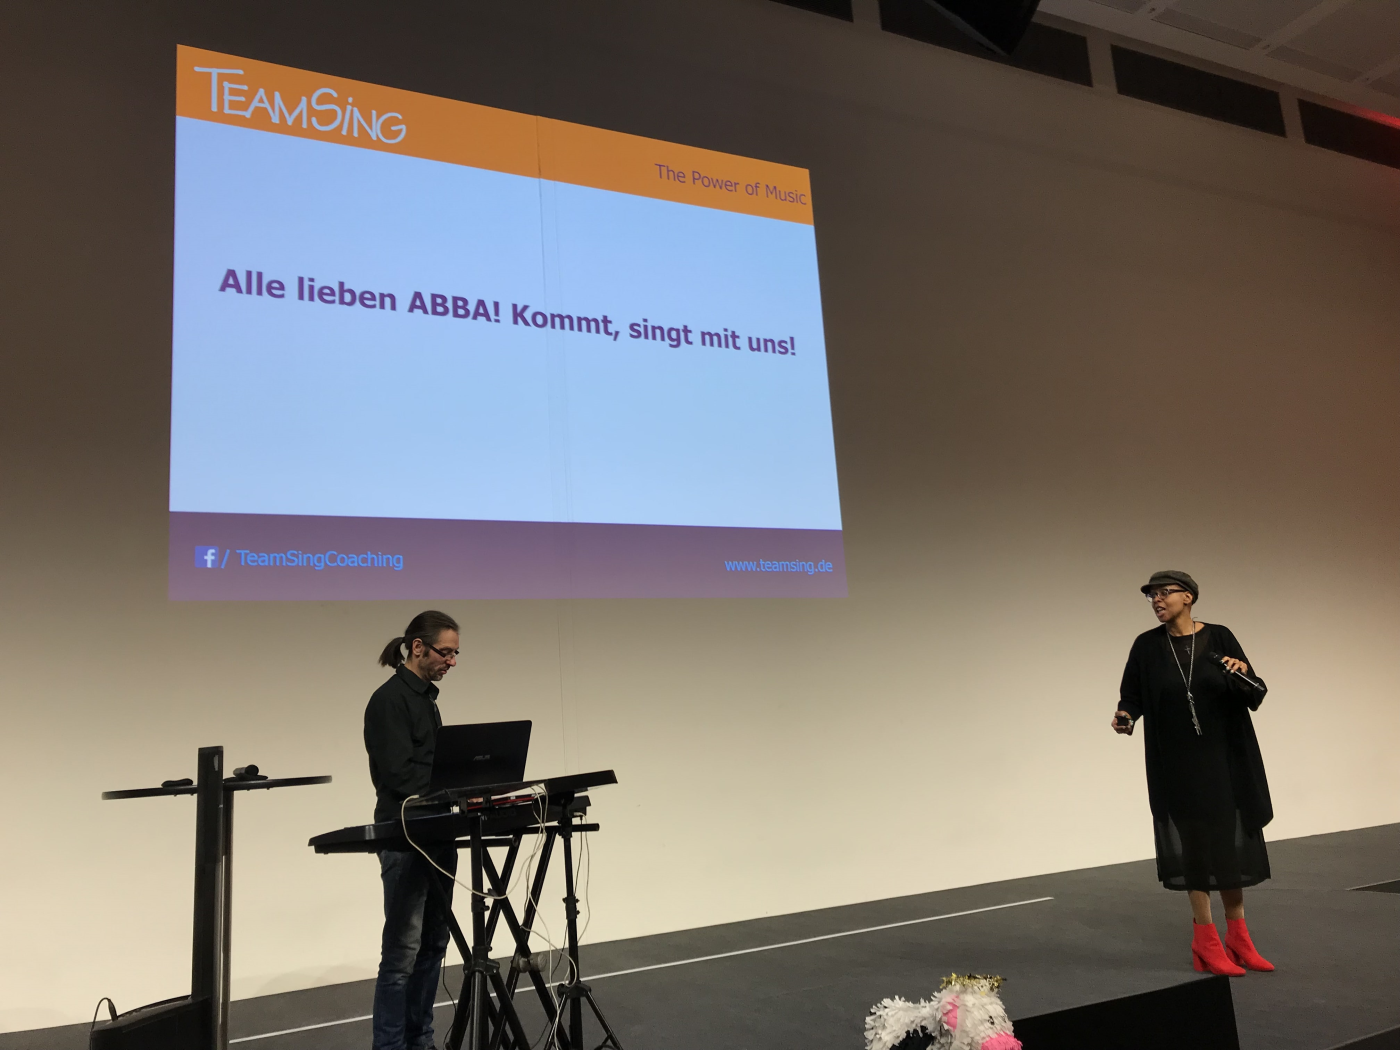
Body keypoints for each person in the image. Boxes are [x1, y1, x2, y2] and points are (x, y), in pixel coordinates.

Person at [1112, 571, 1275, 977]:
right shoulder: (1147, 646)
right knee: (1195, 847)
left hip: (1223, 759)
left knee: (1227, 844)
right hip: (1177, 764)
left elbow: (1254, 692)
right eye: (1151, 595)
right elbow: (1132, 696)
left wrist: (1240, 672)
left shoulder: (1220, 637)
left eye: (1164, 593)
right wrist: (1125, 715)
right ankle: (1205, 939)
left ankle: (1239, 937)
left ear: (1188, 597)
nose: (1156, 600)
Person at [365, 610, 462, 1050]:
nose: (452, 661)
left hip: (437, 833)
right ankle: (390, 1046)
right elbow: (398, 776)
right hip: (404, 838)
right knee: (402, 954)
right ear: (418, 647)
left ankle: (420, 1040)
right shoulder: (388, 701)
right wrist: (449, 786)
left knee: (434, 945)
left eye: (456, 654)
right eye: (446, 652)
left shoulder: (427, 701)